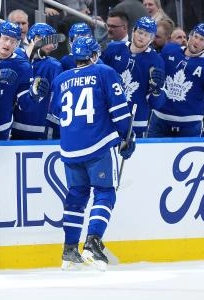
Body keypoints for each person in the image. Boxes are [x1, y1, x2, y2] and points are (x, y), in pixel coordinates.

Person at [50, 36, 135, 270]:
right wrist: (127, 137)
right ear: (95, 55)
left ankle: (69, 250)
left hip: (69, 148)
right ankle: (93, 243)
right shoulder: (104, 72)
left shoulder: (61, 79)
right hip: (97, 145)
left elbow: (56, 115)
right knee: (105, 193)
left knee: (76, 196)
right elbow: (119, 110)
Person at [147, 23, 204, 137]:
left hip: (190, 124)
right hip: (160, 119)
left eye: (202, 39)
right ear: (190, 36)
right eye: (195, 36)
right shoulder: (169, 51)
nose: (196, 41)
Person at [0, 21, 50, 140]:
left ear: (18, 44)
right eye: (5, 38)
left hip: (1, 127)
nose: (8, 44)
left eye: (13, 41)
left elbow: (24, 105)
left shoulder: (22, 66)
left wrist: (34, 95)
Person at [102, 16, 166, 138]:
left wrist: (157, 92)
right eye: (140, 32)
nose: (142, 37)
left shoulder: (156, 61)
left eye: (147, 35)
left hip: (136, 123)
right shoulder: (113, 49)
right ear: (133, 31)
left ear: (152, 39)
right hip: (109, 119)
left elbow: (157, 104)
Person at [11, 23, 63, 140]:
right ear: (36, 38)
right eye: (49, 41)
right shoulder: (16, 57)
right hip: (11, 127)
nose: (52, 46)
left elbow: (56, 100)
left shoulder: (53, 66)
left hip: (39, 129)